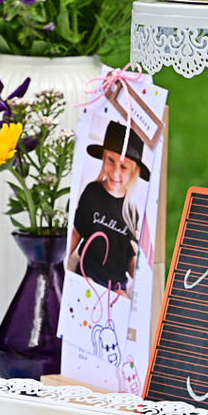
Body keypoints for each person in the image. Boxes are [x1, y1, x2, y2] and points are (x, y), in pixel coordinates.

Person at [68, 120, 146, 292]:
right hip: (86, 275)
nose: (115, 172)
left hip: (116, 286)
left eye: (124, 167)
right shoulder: (92, 192)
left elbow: (130, 259)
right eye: (110, 160)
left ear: (134, 172)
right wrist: (61, 264)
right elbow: (76, 232)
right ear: (103, 157)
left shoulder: (132, 212)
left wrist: (142, 277)